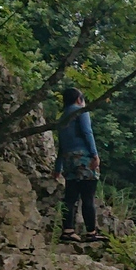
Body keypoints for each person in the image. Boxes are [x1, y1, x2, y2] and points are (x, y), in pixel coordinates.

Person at [52, 88, 103, 242]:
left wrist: (57, 167)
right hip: (83, 158)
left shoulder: (62, 117)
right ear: (79, 99)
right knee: (88, 196)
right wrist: (94, 154)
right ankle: (91, 232)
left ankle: (68, 230)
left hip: (68, 159)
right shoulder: (81, 111)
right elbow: (88, 132)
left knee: (70, 197)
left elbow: (61, 145)